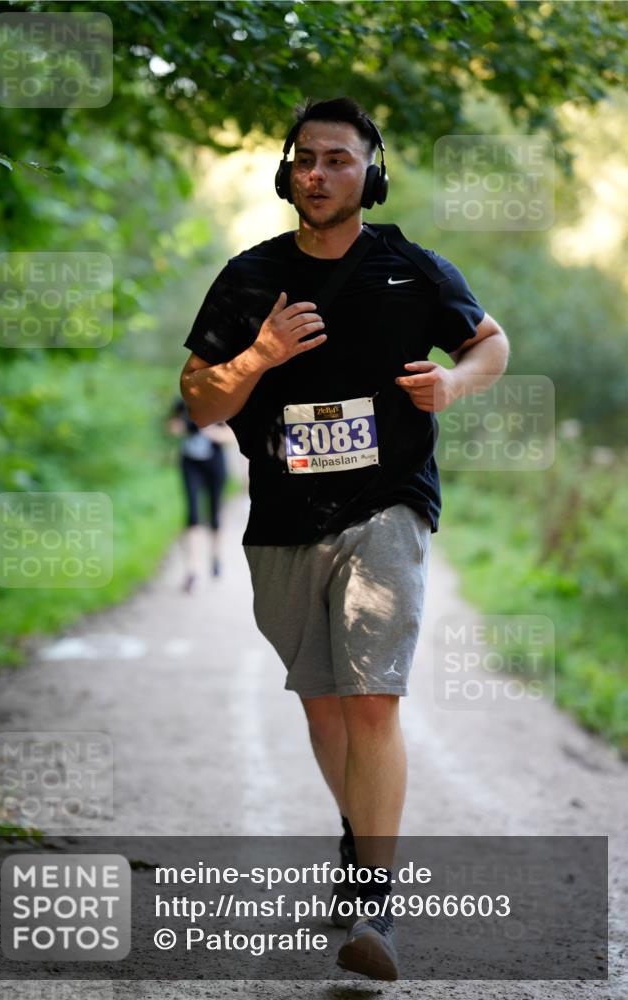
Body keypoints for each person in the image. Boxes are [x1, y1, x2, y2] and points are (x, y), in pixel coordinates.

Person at [180, 97, 509, 980]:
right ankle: (360, 836)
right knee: (324, 706)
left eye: (337, 158)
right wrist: (258, 358)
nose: (317, 173)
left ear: (372, 173)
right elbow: (202, 397)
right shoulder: (250, 278)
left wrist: (456, 386)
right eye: (304, 159)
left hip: (387, 506)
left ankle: (372, 900)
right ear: (286, 172)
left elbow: (491, 342)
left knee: (372, 700)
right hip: (284, 521)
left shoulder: (409, 268)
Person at [167, 398, 230, 592]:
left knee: (214, 513)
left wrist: (208, 430)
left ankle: (215, 555)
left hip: (214, 463)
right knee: (193, 513)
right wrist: (186, 426)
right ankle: (192, 570)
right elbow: (172, 428)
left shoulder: (220, 401)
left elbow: (231, 435)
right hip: (190, 464)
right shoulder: (182, 403)